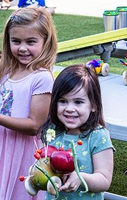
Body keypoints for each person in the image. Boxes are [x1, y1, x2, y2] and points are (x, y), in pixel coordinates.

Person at [0, 7, 58, 199]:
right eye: (16, 41)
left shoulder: (41, 78)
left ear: (45, 42)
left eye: (31, 42)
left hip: (20, 150)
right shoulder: (3, 71)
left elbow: (34, 126)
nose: (22, 48)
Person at [38, 64, 115, 199]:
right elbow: (45, 167)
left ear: (93, 106)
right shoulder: (52, 131)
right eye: (63, 101)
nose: (69, 108)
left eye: (78, 102)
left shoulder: (97, 136)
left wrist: (81, 178)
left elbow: (104, 180)